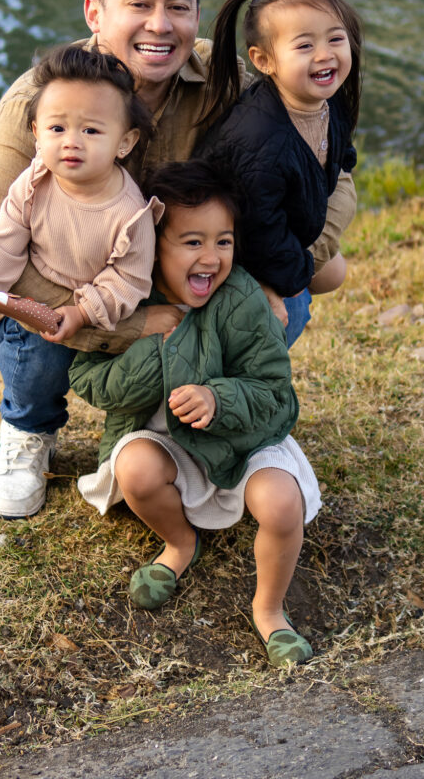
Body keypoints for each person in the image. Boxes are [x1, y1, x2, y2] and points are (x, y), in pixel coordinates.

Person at [0, 0, 351, 519]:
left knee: (285, 301)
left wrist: (287, 268)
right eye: (139, 3)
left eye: (178, 7)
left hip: (178, 272)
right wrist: (126, 324)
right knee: (20, 317)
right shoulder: (42, 102)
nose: (160, 25)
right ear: (95, 13)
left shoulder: (230, 82)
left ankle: (203, 416)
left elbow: (329, 173)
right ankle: (29, 429)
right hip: (69, 284)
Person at [69, 161, 321, 668]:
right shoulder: (125, 299)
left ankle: (269, 609)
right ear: (151, 246)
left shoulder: (242, 298)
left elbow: (276, 394)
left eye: (223, 241)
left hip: (243, 441)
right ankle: (180, 545)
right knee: (135, 467)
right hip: (166, 444)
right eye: (192, 242)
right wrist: (151, 337)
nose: (211, 257)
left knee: (279, 504)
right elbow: (86, 379)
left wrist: (218, 398)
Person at [0, 46, 161, 516]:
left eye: (92, 130)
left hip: (87, 311)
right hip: (26, 310)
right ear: (36, 133)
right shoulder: (33, 182)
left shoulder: (130, 213)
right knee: (35, 365)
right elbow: (1, 241)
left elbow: (128, 281)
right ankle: (27, 428)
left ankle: (137, 434)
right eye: (57, 128)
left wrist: (81, 312)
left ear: (125, 141)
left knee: (115, 363)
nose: (72, 142)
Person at [201, 0, 362, 346]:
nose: (325, 55)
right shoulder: (261, 139)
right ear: (264, 60)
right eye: (305, 45)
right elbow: (258, 233)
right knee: (292, 302)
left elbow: (341, 154)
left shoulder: (328, 99)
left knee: (335, 272)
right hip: (230, 250)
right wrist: (298, 272)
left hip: (281, 228)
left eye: (335, 39)